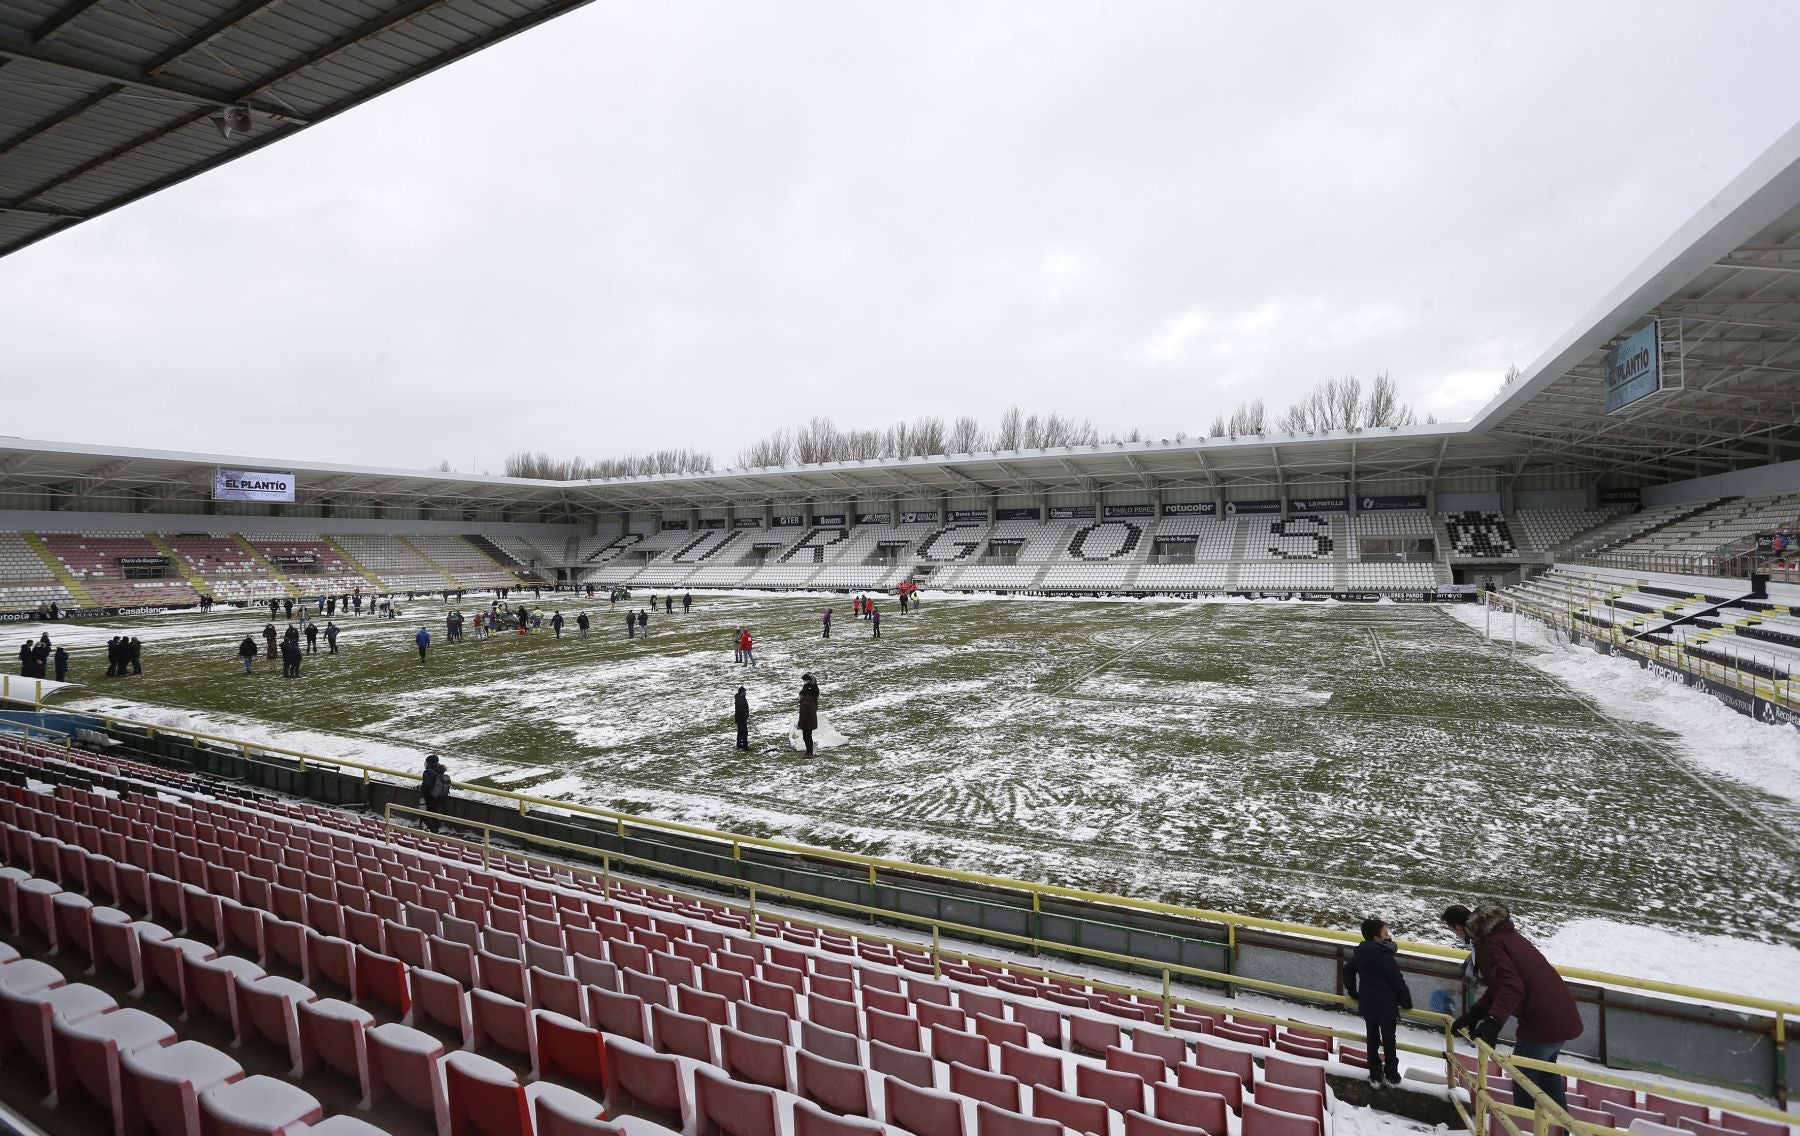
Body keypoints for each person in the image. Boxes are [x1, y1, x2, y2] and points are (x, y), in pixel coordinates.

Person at [1451, 904, 1583, 1111]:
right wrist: (1475, 1014)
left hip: (1542, 1023)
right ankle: (1560, 1130)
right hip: (1560, 1015)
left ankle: (1528, 1129)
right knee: (1546, 1073)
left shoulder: (1488, 945)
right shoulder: (1509, 937)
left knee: (1523, 1079)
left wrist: (1492, 1023)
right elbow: (1501, 986)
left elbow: (1511, 987)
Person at [1344, 918, 1412, 1086]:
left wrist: (1353, 992)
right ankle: (1391, 1074)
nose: (1388, 935)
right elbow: (1397, 980)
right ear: (1376, 938)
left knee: (1372, 1039)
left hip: (1368, 1004)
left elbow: (1347, 969)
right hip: (1386, 1006)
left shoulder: (1360, 953)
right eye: (1385, 933)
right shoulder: (1384, 956)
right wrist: (1406, 1002)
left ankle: (1375, 1074)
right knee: (1389, 1040)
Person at [419, 754, 451, 832]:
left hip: (430, 796)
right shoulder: (440, 770)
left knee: (423, 814)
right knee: (433, 813)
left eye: (426, 761)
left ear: (429, 762)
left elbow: (427, 784)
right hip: (439, 796)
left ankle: (434, 830)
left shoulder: (428, 771)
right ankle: (437, 828)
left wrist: (420, 788)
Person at [797, 673, 820, 755]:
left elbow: (803, 715)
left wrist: (800, 724)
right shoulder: (811, 701)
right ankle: (811, 749)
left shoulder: (805, 703)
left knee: (806, 737)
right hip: (811, 719)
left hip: (807, 722)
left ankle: (809, 751)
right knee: (808, 736)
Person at [734, 686, 750, 750]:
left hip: (741, 718)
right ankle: (745, 746)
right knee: (744, 732)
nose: (745, 693)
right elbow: (740, 710)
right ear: (741, 692)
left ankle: (739, 744)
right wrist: (746, 714)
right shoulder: (739, 700)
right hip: (741, 718)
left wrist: (746, 714)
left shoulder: (741, 698)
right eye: (744, 692)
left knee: (740, 732)